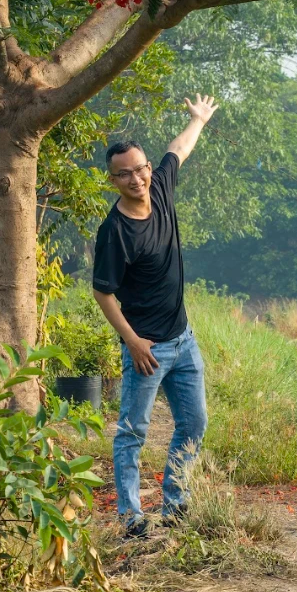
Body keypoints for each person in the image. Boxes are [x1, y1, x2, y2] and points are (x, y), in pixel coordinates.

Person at [92, 95, 218, 538]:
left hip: (183, 339)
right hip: (145, 347)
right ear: (113, 180)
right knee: (132, 431)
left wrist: (198, 119)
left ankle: (176, 501)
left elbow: (179, 148)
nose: (136, 178)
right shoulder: (115, 232)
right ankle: (130, 518)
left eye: (140, 168)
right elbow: (103, 292)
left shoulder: (160, 186)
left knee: (194, 422)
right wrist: (131, 340)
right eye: (124, 173)